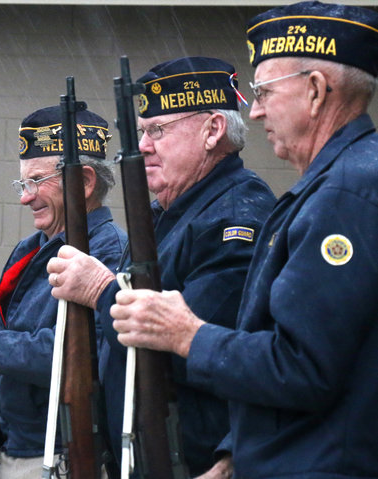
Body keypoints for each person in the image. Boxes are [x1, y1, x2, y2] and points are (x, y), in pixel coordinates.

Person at [97, 3, 378, 478]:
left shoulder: (345, 193)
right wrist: (233, 453)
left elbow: (301, 367)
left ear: (314, 91)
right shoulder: (330, 186)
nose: (258, 108)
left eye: (265, 91)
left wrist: (188, 334)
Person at [47, 57, 276, 477]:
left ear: (213, 130)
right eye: (140, 132)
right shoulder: (164, 214)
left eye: (158, 130)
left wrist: (101, 289)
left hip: (195, 459)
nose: (145, 145)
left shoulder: (235, 216)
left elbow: (201, 347)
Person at [0, 105, 127, 478]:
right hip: (18, 453)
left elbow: (83, 358)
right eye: (24, 184)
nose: (25, 197)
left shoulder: (109, 253)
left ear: (85, 182)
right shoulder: (28, 251)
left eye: (37, 181)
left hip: (69, 455)